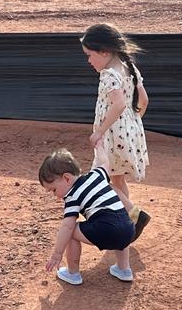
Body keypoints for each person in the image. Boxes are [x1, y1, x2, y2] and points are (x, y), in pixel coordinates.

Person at [80, 23, 151, 241]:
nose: (89, 61)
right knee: (118, 180)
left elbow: (118, 104)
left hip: (112, 136)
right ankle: (127, 222)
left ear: (105, 51)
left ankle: (134, 214)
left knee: (100, 180)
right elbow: (144, 101)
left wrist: (99, 132)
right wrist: (132, 125)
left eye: (90, 55)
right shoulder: (129, 67)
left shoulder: (109, 74)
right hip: (126, 133)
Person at [39, 149, 135, 284]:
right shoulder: (96, 175)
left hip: (105, 230)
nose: (54, 194)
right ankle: (124, 269)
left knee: (71, 231)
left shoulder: (72, 196)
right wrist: (100, 146)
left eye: (53, 189)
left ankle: (73, 273)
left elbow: (67, 225)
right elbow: (106, 162)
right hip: (129, 229)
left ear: (67, 178)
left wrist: (57, 254)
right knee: (119, 225)